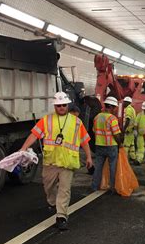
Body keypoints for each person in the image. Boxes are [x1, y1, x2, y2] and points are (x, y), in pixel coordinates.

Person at [20, 92, 93, 231]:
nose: (61, 107)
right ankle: (52, 201)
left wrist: (89, 156)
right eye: (58, 105)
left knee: (64, 190)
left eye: (64, 105)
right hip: (51, 162)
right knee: (48, 186)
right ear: (55, 106)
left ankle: (61, 216)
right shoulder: (46, 120)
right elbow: (34, 135)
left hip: (67, 163)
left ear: (67, 105)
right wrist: (23, 148)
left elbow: (84, 140)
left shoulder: (77, 122)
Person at [91, 96, 122, 193]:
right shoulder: (112, 118)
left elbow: (94, 130)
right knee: (113, 167)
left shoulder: (97, 117)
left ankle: (95, 186)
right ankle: (112, 188)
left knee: (98, 167)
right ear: (112, 107)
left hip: (99, 145)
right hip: (111, 146)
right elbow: (116, 134)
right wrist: (120, 144)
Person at [122, 96, 136, 161]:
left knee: (126, 145)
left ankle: (124, 158)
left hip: (128, 130)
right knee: (131, 145)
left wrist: (124, 129)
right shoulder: (132, 109)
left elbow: (128, 119)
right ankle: (133, 157)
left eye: (124, 102)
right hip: (132, 129)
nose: (123, 103)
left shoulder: (128, 109)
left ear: (127, 102)